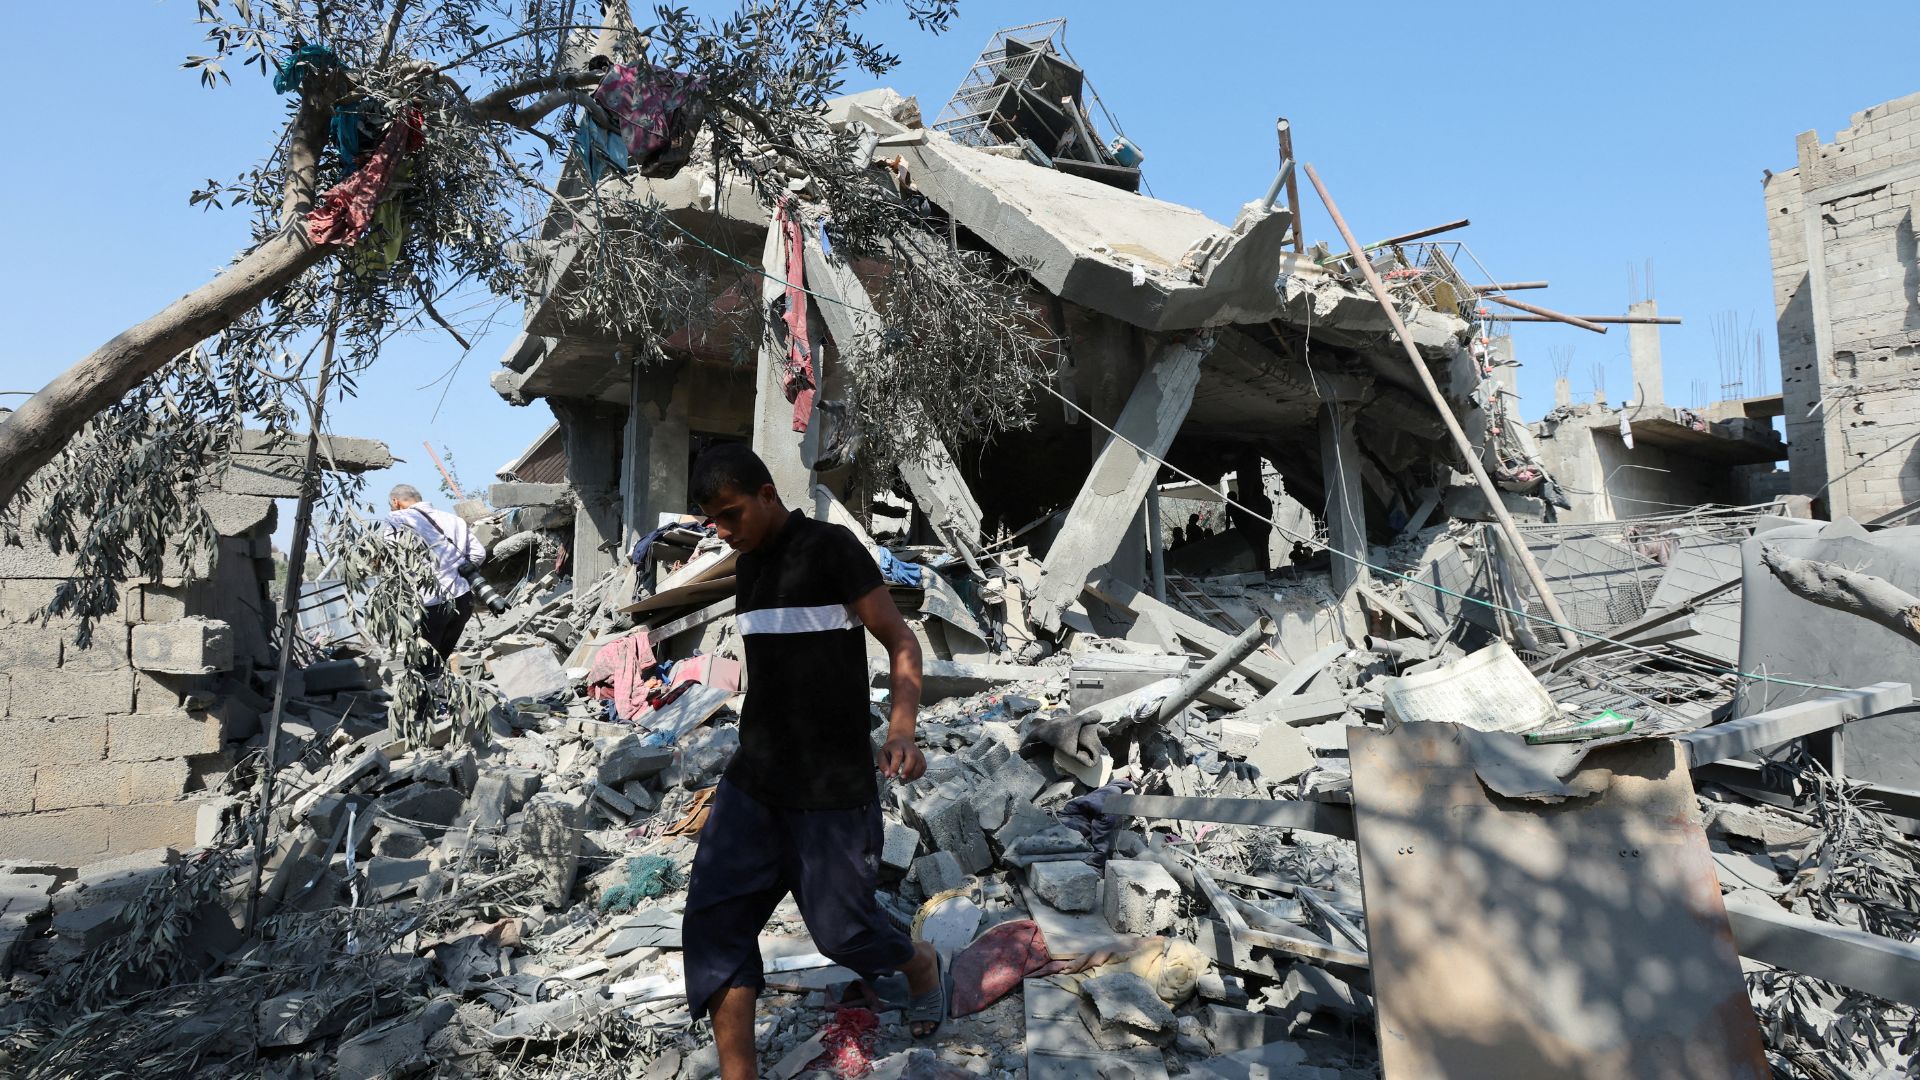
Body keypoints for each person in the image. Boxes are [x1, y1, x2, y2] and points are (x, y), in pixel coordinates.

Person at [681, 445, 944, 1080]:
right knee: (714, 928)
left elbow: (901, 640)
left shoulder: (832, 549)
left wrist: (903, 730)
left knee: (844, 935)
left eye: (731, 514)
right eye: (712, 520)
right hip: (755, 781)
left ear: (768, 493)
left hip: (831, 784)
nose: (723, 531)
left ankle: (919, 962)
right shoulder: (746, 569)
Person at [384, 483, 486, 662]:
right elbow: (478, 553)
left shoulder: (397, 520)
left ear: (395, 501)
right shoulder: (453, 519)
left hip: (430, 602)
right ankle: (441, 687)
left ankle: (430, 688)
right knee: (441, 658)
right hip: (463, 600)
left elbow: (393, 561)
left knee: (424, 663)